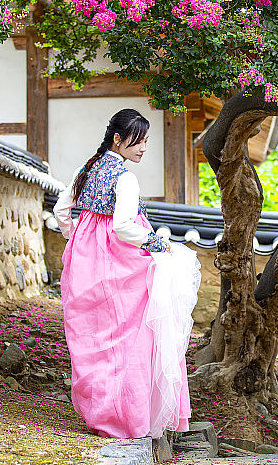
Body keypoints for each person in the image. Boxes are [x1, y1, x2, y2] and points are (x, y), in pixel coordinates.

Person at [53, 108, 200, 439]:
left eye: (146, 141)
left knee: (95, 338)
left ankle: (101, 414)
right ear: (118, 139)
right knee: (131, 337)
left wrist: (75, 236)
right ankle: (127, 417)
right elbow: (122, 226)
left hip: (85, 260)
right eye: (138, 141)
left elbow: (62, 210)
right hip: (121, 261)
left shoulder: (84, 169)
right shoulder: (125, 178)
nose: (143, 148)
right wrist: (157, 245)